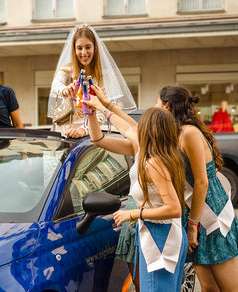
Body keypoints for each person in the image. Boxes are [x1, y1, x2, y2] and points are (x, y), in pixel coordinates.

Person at [84, 89, 188, 291]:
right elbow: (98, 140)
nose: (137, 128)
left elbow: (175, 208)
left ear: (150, 131)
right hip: (156, 232)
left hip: (161, 237)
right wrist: (92, 112)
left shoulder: (154, 163)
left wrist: (131, 213)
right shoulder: (150, 153)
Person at [157, 86, 238, 292]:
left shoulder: (190, 133)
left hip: (210, 214)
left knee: (231, 289)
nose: (155, 107)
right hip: (193, 212)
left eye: (157, 103)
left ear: (167, 106)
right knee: (209, 287)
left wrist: (192, 225)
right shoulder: (175, 134)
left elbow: (202, 182)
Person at [48, 23, 136, 138]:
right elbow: (56, 85)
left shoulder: (104, 76)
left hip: (89, 136)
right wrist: (65, 90)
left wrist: (83, 130)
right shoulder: (67, 70)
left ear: (95, 48)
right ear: (74, 50)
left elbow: (101, 112)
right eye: (79, 48)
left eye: (88, 47)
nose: (84, 53)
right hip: (64, 133)